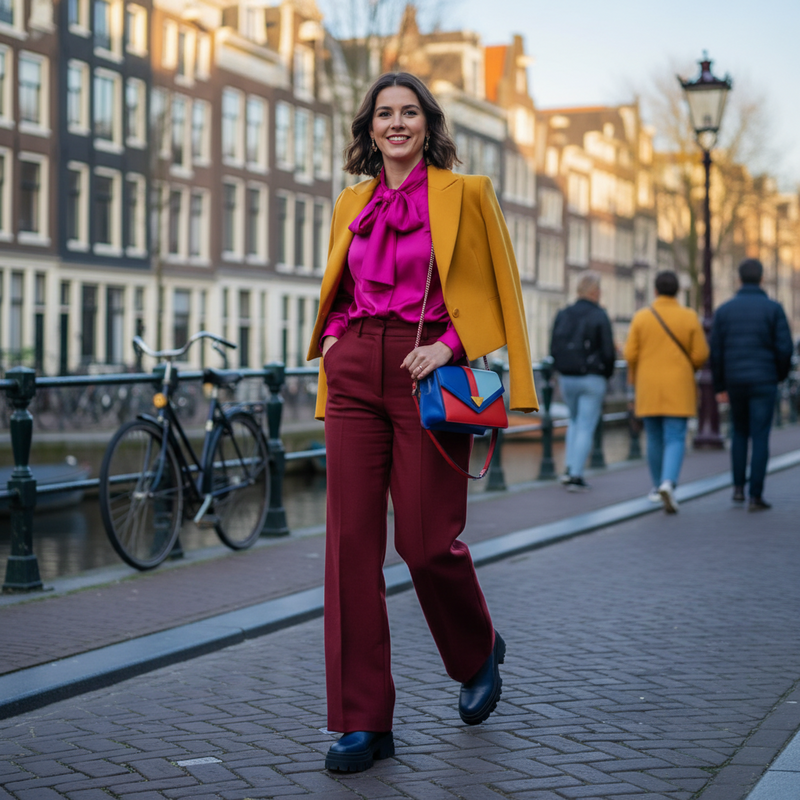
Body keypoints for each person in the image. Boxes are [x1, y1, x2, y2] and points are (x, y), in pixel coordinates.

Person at [306, 72, 538, 773]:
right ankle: (363, 722)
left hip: (428, 375)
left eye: (409, 112)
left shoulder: (467, 194)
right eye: (385, 114)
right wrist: (341, 338)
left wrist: (451, 346)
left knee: (425, 541)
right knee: (349, 549)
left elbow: (501, 287)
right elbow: (339, 288)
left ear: (427, 124)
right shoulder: (352, 200)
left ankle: (476, 651)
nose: (397, 123)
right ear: (370, 128)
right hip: (353, 374)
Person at [710, 258, 793, 511]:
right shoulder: (773, 309)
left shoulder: (724, 311)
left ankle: (737, 489)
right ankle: (755, 495)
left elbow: (716, 351)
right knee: (760, 436)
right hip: (764, 380)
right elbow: (784, 348)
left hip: (735, 381)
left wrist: (720, 385)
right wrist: (778, 375)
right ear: (762, 278)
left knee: (738, 433)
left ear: (739, 279)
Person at [623, 270, 708, 513]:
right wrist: (688, 364)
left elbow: (629, 354)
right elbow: (701, 354)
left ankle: (656, 485)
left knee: (654, 437)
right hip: (679, 387)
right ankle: (669, 483)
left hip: (648, 386)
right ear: (678, 292)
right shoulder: (689, 317)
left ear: (656, 291)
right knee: (676, 436)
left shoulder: (642, 317)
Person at [549, 272, 615, 491]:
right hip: (592, 378)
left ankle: (568, 469)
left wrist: (559, 370)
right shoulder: (599, 315)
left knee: (574, 422)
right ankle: (576, 475)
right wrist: (606, 373)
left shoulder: (564, 313)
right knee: (586, 425)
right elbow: (607, 351)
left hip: (567, 378)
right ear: (595, 292)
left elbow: (553, 346)